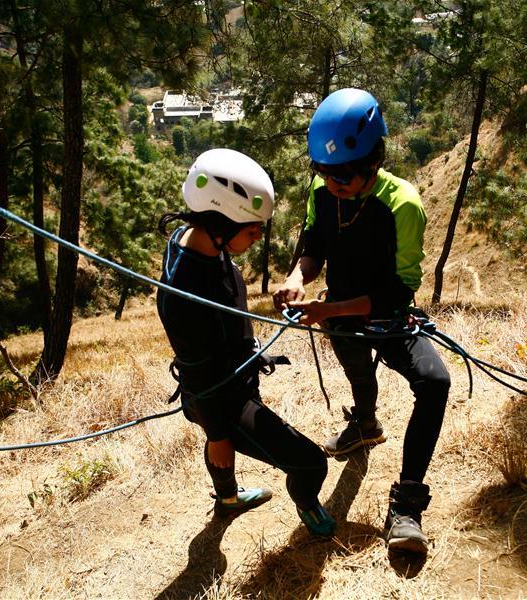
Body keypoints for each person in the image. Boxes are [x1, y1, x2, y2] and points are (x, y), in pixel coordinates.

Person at [273, 89, 450, 554]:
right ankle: (365, 424)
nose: (334, 183)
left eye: (345, 173)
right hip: (340, 315)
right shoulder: (322, 191)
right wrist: (297, 278)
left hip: (387, 316)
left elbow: (399, 289)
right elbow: (314, 246)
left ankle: (408, 503)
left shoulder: (402, 205)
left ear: (374, 159)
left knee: (434, 382)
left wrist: (327, 311)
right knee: (356, 371)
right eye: (325, 172)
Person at [157, 148, 335, 536]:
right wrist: (219, 435)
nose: (258, 235)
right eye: (251, 227)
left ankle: (227, 498)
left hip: (229, 382)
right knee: (310, 463)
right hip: (219, 399)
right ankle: (306, 503)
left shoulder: (198, 241)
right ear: (219, 220)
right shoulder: (183, 291)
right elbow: (197, 368)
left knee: (226, 444)